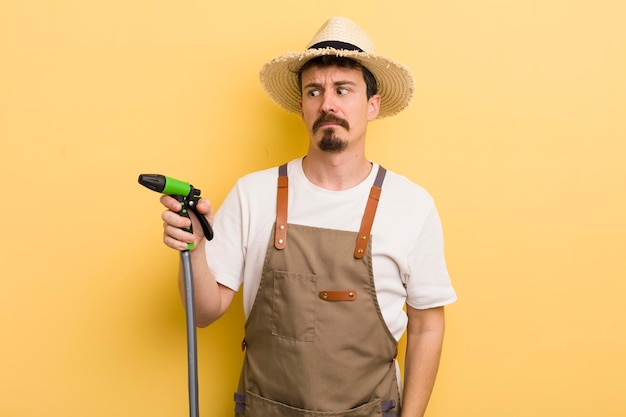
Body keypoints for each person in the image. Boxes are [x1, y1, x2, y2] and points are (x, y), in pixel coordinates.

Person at [160, 16, 456, 417]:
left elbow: (427, 326)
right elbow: (204, 313)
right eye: (314, 91)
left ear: (372, 105)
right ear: (302, 105)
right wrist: (194, 250)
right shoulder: (253, 194)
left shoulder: (411, 205)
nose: (327, 103)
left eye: (342, 89)